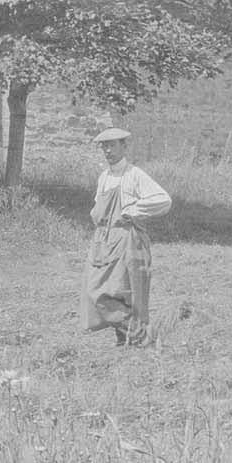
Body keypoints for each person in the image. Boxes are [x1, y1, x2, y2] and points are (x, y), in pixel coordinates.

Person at [81, 127, 173, 346]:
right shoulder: (104, 177)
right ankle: (135, 336)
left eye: (112, 145)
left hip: (127, 239)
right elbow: (98, 207)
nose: (108, 151)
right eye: (104, 146)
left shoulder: (134, 174)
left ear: (124, 146)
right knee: (94, 290)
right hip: (103, 240)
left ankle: (132, 339)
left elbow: (163, 200)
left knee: (124, 291)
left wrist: (132, 210)